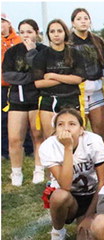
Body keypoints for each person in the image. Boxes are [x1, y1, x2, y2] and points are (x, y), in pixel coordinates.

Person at [39, 108, 104, 240]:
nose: (66, 128)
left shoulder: (93, 141)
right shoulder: (48, 146)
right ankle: (58, 233)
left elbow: (103, 182)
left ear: (82, 129)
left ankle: (87, 219)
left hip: (92, 195)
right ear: (55, 129)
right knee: (59, 196)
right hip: (69, 197)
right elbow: (65, 186)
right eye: (60, 124)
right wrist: (68, 148)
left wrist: (89, 215)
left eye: (72, 124)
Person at [2, 19, 46, 186]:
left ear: (36, 33)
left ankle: (39, 168)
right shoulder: (12, 52)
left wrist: (31, 52)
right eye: (22, 32)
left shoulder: (43, 50)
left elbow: (41, 73)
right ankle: (16, 171)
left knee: (37, 135)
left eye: (29, 32)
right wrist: (29, 79)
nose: (26, 35)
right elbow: (7, 75)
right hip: (16, 100)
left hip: (37, 100)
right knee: (14, 138)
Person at [32, 19, 85, 139]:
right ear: (48, 34)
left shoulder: (75, 54)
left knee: (72, 138)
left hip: (70, 98)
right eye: (52, 31)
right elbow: (38, 83)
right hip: (48, 100)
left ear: (65, 33)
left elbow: (77, 79)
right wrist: (67, 78)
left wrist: (53, 76)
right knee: (50, 138)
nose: (56, 34)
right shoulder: (42, 55)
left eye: (59, 31)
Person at [70, 8, 104, 144]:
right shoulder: (68, 42)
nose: (83, 21)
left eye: (85, 18)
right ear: (73, 23)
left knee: (100, 130)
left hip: (96, 91)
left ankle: (101, 161)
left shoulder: (98, 41)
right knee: (77, 130)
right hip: (76, 92)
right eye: (79, 19)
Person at [1, 13, 22, 159]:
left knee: (21, 116)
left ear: (8, 23)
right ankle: (4, 149)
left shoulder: (18, 40)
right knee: (3, 117)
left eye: (2, 22)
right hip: (3, 85)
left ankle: (27, 146)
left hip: (18, 84)